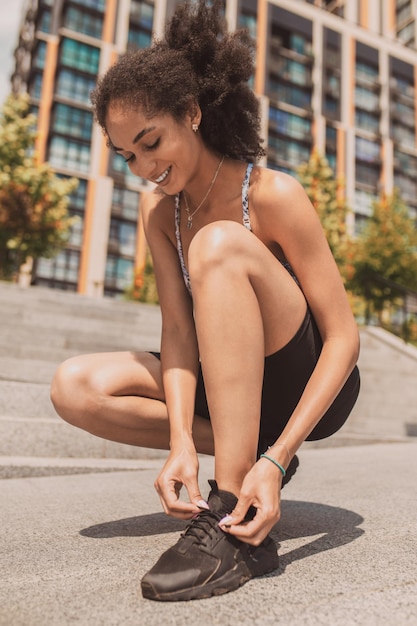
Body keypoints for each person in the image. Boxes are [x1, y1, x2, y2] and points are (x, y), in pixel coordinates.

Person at [51, 0, 360, 602]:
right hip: (226, 385)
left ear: (191, 113)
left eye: (150, 143)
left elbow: (344, 336)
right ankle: (236, 455)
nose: (143, 167)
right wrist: (181, 445)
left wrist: (278, 459)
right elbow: (179, 332)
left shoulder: (274, 194)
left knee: (219, 244)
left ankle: (234, 516)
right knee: (74, 385)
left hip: (306, 378)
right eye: (127, 157)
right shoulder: (159, 213)